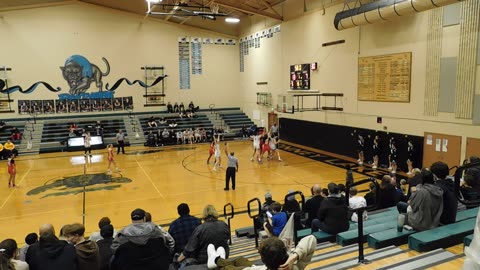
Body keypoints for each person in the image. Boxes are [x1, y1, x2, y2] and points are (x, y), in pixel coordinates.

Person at [206, 234, 317, 270]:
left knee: (229, 267)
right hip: (259, 267)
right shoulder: (295, 266)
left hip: (254, 268)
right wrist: (294, 257)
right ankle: (219, 259)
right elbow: (311, 239)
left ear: (263, 260)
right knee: (240, 260)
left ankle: (216, 260)